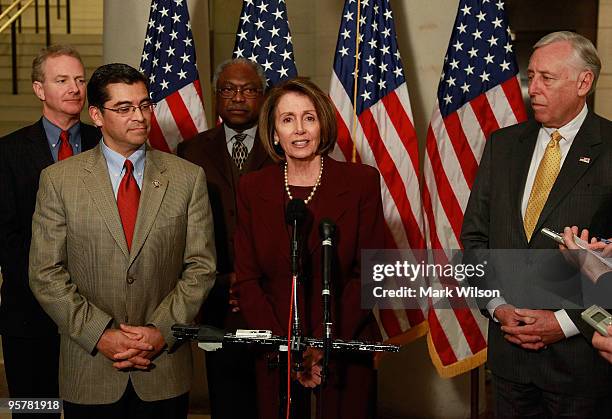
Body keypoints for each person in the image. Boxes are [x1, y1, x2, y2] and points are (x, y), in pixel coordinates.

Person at [28, 63, 216, 419]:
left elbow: (200, 268)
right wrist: (101, 335)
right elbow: (45, 273)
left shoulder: (187, 178)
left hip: (163, 369)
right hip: (90, 369)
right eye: (124, 108)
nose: (140, 117)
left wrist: (160, 332)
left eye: (144, 105)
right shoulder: (59, 180)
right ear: (97, 115)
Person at [461, 31, 612, 418]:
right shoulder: (503, 145)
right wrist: (496, 305)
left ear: (584, 82)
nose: (534, 89)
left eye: (548, 78)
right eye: (532, 76)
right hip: (509, 364)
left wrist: (564, 323)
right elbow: (475, 237)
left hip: (581, 367)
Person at [233, 77, 384, 419]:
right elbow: (247, 278)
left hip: (344, 344)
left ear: (323, 125)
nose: (299, 130)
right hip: (275, 349)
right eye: (287, 120)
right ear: (274, 132)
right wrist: (285, 347)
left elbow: (371, 274)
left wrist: (320, 343)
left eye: (309, 118)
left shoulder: (361, 181)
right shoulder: (252, 187)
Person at [0, 44, 98, 416]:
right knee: (33, 411)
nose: (74, 87)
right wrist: (53, 284)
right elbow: (5, 238)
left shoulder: (105, 144)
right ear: (40, 89)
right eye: (62, 80)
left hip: (95, 315)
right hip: (28, 316)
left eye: (79, 79)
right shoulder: (7, 153)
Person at [177, 58, 273, 419]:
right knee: (226, 398)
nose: (237, 97)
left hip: (270, 297)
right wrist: (217, 282)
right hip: (216, 300)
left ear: (263, 96)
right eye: (228, 89)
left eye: (248, 89)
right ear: (216, 97)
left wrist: (252, 280)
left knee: (271, 398)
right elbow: (183, 229)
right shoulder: (191, 151)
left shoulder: (282, 148)